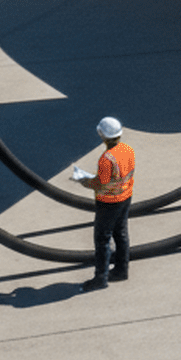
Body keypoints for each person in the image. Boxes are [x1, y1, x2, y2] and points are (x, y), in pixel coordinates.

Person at [79, 116, 136, 291]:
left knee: (102, 239)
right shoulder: (128, 150)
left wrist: (83, 180)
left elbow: (100, 183)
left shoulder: (107, 159)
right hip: (126, 197)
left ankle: (100, 278)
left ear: (101, 134)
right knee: (121, 234)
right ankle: (121, 270)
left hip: (108, 203)